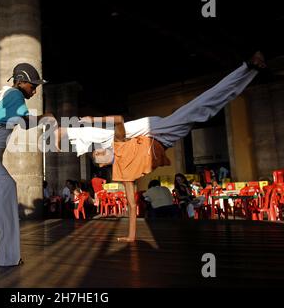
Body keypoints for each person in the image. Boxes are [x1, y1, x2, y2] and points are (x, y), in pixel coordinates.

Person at [58, 51, 266, 241]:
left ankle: (67, 130)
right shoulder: (122, 173)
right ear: (102, 165)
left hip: (154, 130)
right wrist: (131, 236)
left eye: (97, 150)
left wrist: (93, 119)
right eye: (99, 155)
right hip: (163, 135)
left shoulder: (117, 144)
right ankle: (250, 68)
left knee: (202, 106)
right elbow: (131, 206)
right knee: (205, 107)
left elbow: (119, 120)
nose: (99, 151)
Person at [0, 62, 54, 266]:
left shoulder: (1, 95)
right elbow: (26, 123)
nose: (34, 90)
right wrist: (45, 117)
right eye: (32, 85)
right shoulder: (14, 95)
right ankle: (0, 256)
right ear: (21, 81)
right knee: (6, 187)